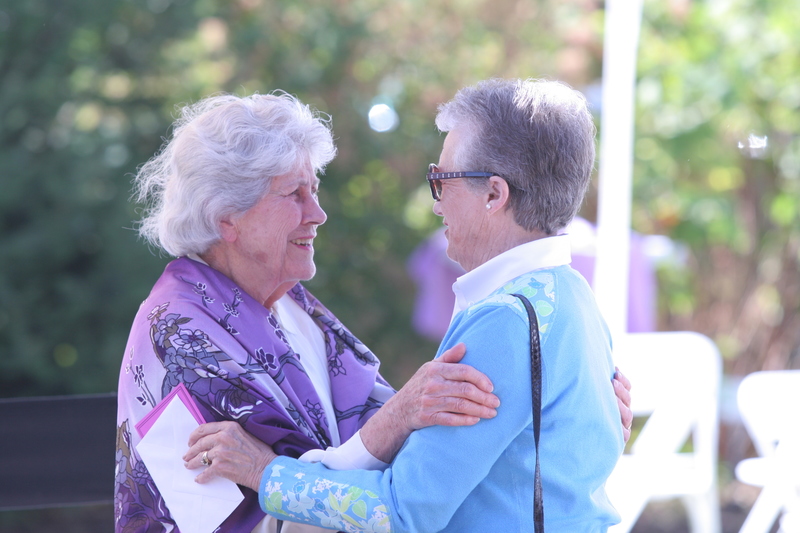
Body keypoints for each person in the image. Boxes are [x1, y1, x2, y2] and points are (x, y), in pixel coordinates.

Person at [188, 78, 628, 532]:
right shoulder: (571, 294)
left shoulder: (506, 319)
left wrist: (264, 472)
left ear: (494, 195)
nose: (436, 205)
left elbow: (402, 511)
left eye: (441, 180)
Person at [115, 92, 507, 533]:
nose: (318, 214)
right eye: (293, 194)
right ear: (226, 216)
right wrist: (398, 417)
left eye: (314, 190)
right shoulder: (173, 335)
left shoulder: (290, 303)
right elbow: (218, 525)